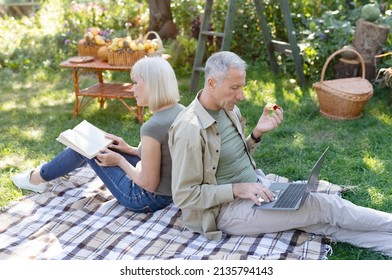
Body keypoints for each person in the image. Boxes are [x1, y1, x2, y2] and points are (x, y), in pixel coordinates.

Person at [168, 51, 392, 257]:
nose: (242, 95)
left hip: (258, 189)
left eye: (242, 87)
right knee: (324, 206)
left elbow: (231, 157)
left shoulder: (228, 109)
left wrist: (256, 133)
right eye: (235, 88)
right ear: (211, 83)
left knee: (321, 223)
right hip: (225, 212)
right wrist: (237, 189)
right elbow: (184, 195)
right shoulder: (190, 129)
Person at [13, 56, 185, 213]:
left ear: (151, 85)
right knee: (99, 144)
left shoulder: (152, 127)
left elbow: (148, 183)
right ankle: (48, 172)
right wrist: (129, 149)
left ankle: (36, 179)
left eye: (135, 83)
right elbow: (165, 156)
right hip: (171, 191)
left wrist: (119, 160)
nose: (132, 89)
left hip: (144, 199)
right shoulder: (180, 111)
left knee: (83, 146)